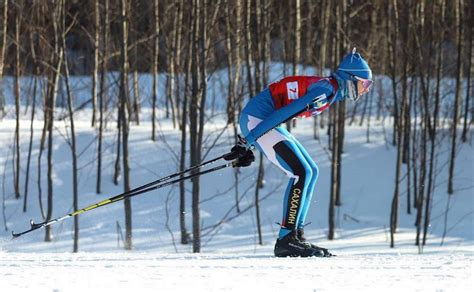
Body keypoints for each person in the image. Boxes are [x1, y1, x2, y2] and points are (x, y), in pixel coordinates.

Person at [224, 48, 373, 257]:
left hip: (264, 120)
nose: (366, 90)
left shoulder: (330, 89)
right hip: (258, 119)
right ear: (350, 79)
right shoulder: (325, 90)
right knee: (300, 172)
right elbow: (285, 112)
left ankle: (295, 235)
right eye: (365, 83)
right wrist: (247, 142)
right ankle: (286, 239)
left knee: (311, 171)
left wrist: (250, 142)